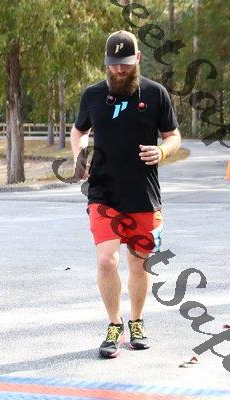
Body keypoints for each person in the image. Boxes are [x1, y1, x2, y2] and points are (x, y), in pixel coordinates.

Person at [70, 31, 182, 358]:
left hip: (143, 193)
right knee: (106, 260)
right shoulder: (92, 95)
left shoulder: (156, 93)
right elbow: (79, 131)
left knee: (139, 262)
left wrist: (163, 151)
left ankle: (137, 321)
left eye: (126, 64)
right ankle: (113, 324)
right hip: (103, 192)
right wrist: (79, 154)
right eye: (114, 64)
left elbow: (173, 135)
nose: (119, 69)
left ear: (138, 59)